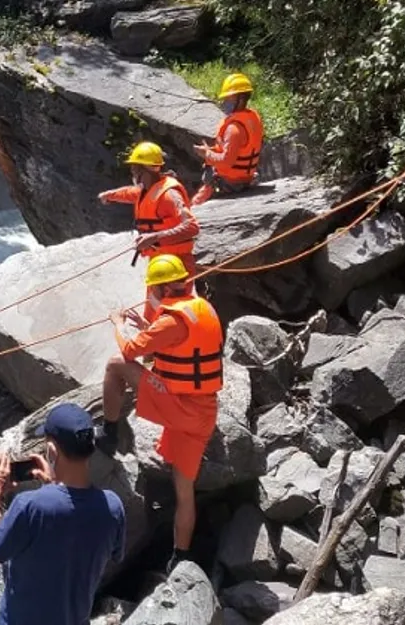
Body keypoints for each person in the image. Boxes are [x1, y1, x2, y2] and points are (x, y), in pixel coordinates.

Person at [97, 254, 223, 571]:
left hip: (178, 404)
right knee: (185, 490)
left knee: (116, 365)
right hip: (203, 410)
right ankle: (180, 556)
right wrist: (148, 326)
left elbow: (129, 350)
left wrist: (118, 323)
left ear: (163, 286)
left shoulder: (171, 319)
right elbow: (181, 342)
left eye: (153, 286)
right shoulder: (202, 308)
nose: (151, 291)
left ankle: (109, 433)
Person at [0, 403, 126, 625]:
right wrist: (54, 484)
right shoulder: (113, 507)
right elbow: (78, 529)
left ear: (52, 451)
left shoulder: (30, 505)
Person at [98, 140, 200, 314]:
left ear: (144, 169)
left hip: (177, 265)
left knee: (174, 311)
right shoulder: (148, 188)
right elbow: (131, 193)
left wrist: (154, 237)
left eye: (134, 167)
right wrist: (110, 195)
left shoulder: (170, 195)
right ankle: (154, 334)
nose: (132, 171)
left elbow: (192, 227)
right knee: (154, 310)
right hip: (161, 262)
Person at [192, 72, 264, 206]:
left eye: (228, 98)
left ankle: (195, 206)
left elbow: (226, 162)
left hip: (231, 182)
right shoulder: (252, 119)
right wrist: (213, 150)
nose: (224, 102)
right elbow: (241, 149)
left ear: (241, 98)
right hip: (247, 177)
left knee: (208, 176)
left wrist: (206, 154)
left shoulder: (234, 129)